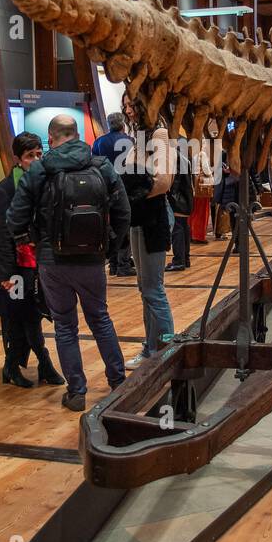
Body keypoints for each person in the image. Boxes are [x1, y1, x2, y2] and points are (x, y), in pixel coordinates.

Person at [6, 114, 130, 412]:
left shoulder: (38, 170)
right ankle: (118, 383)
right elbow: (123, 211)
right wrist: (110, 248)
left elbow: (14, 218)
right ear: (76, 136)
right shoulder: (101, 166)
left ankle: (76, 392)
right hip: (92, 259)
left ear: (51, 138)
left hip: (53, 260)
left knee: (64, 326)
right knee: (100, 318)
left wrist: (31, 241)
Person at [0, 132, 64, 390]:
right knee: (22, 317)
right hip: (16, 266)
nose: (35, 160)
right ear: (17, 159)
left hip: (38, 262)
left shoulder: (45, 184)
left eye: (38, 154)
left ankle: (15, 366)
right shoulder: (5, 190)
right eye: (29, 156)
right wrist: (5, 275)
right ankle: (40, 363)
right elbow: (2, 236)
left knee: (30, 315)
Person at [120, 92, 175, 365]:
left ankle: (166, 353)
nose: (129, 110)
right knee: (145, 288)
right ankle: (151, 349)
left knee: (153, 289)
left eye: (133, 105)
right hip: (140, 216)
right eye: (126, 105)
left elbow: (164, 182)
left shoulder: (160, 133)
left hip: (153, 216)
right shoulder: (140, 135)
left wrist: (131, 198)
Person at [93, 112, 134, 277]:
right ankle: (124, 263)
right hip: (126, 188)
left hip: (105, 188)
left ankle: (114, 263)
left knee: (112, 225)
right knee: (126, 224)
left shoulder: (99, 142)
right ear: (123, 124)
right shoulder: (130, 142)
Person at [167, 136, 195, 272]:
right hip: (186, 198)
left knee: (177, 230)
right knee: (184, 229)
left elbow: (175, 183)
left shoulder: (176, 159)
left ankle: (178, 261)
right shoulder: (186, 159)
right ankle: (185, 259)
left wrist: (169, 196)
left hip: (178, 199)